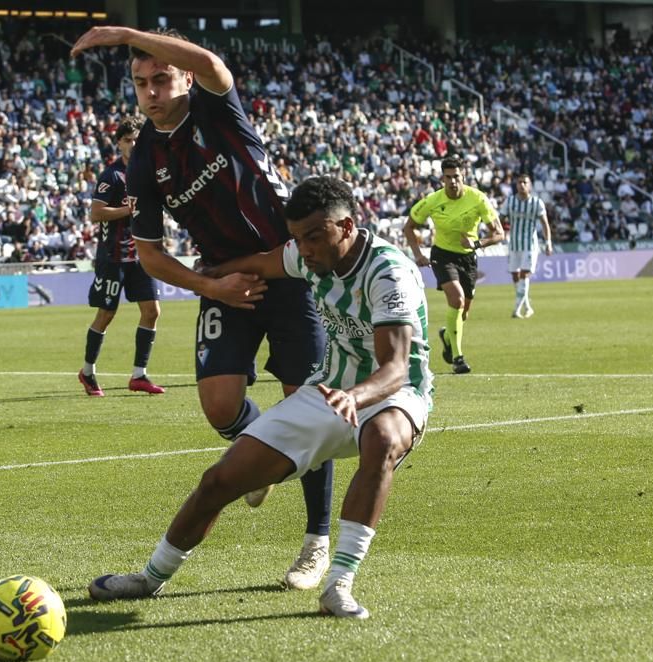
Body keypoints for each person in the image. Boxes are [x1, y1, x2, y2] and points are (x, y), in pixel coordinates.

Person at [87, 176, 433, 619]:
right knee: (220, 480)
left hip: (394, 396)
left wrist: (355, 396)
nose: (304, 249)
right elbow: (263, 261)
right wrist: (204, 278)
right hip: (329, 392)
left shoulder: (389, 272)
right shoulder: (306, 257)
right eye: (297, 239)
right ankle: (151, 577)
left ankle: (338, 583)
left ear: (346, 227)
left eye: (314, 237)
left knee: (382, 438)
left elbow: (396, 367)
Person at [71, 26, 333, 589]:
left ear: (182, 76)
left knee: (309, 407)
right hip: (224, 283)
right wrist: (210, 288)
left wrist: (120, 32)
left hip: (286, 271)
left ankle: (316, 542)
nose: (151, 92)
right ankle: (263, 447)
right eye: (140, 83)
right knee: (219, 409)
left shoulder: (217, 109)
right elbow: (149, 253)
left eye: (161, 78)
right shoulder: (144, 157)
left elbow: (214, 62)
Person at [78, 117, 165, 397]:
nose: (133, 144)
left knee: (152, 311)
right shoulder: (112, 176)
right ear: (119, 143)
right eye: (128, 140)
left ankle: (139, 375)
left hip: (141, 255)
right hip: (113, 256)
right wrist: (126, 211)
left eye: (137, 140)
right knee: (107, 313)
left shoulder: (146, 172)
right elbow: (96, 212)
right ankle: (88, 371)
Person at [402, 157, 503, 375]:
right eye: (448, 177)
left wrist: (477, 243)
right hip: (442, 255)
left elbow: (499, 234)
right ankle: (458, 358)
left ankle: (447, 336)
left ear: (463, 176)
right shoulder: (433, 200)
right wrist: (418, 254)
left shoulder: (477, 198)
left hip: (468, 257)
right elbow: (408, 227)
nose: (453, 181)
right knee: (456, 300)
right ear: (442, 178)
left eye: (456, 176)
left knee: (463, 312)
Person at [502, 174, 553, 318]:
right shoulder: (510, 201)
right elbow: (500, 219)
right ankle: (527, 306)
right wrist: (500, 233)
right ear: (516, 185)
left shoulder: (537, 203)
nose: (522, 185)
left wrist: (548, 243)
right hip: (514, 244)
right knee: (515, 275)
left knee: (524, 274)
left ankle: (516, 310)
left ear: (529, 185)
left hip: (530, 244)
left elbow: (545, 224)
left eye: (525, 182)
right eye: (519, 182)